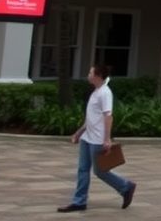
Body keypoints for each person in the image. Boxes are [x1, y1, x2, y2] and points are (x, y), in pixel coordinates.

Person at [58, 65, 136, 213]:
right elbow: (91, 118)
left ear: (98, 76)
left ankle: (126, 187)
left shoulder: (105, 93)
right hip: (87, 138)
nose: (88, 75)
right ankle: (79, 201)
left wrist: (107, 139)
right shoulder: (95, 92)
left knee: (100, 171)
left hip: (97, 139)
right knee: (82, 169)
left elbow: (108, 116)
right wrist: (78, 133)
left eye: (90, 73)